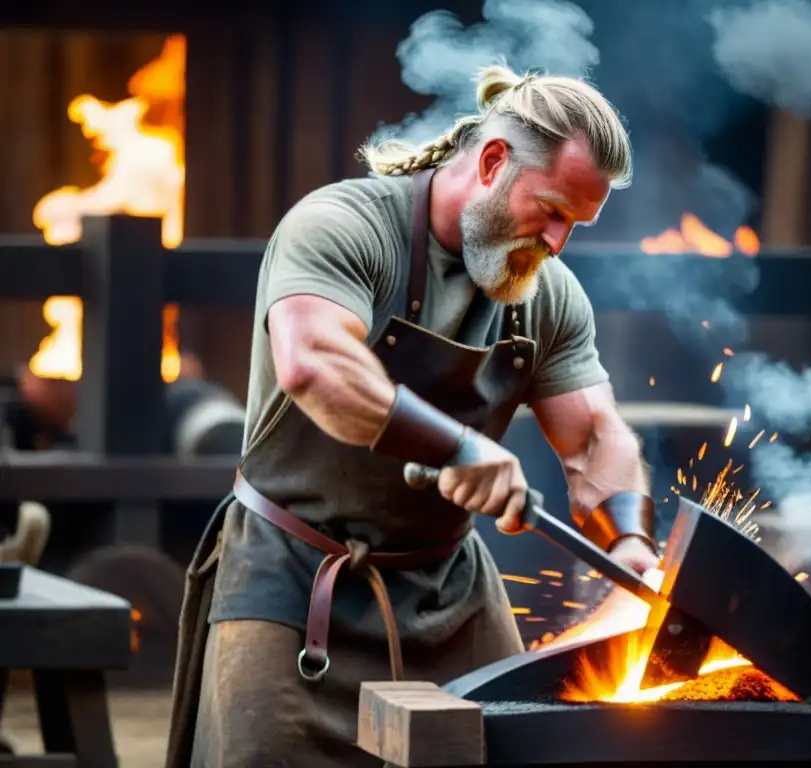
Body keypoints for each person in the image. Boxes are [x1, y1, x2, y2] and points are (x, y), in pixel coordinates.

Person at [167, 64, 661, 768]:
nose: (557, 243)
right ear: (493, 162)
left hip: (450, 596)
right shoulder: (342, 227)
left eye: (575, 224)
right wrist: (459, 450)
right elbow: (314, 364)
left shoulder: (548, 295)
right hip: (294, 581)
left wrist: (627, 542)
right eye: (551, 210)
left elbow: (595, 436)